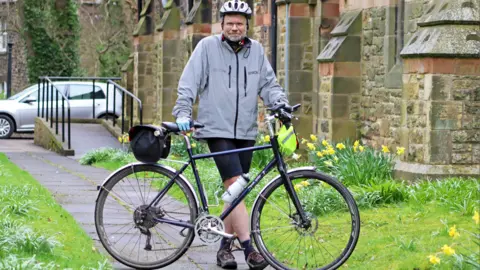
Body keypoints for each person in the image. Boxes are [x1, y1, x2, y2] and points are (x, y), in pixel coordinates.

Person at [172, 0, 289, 268]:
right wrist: (182, 112)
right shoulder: (207, 48)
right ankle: (249, 249)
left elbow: (268, 84)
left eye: (239, 23)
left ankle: (224, 249)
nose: (235, 27)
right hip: (216, 128)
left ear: (247, 26)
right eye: (230, 23)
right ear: (222, 25)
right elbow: (189, 82)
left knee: (235, 192)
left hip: (246, 130)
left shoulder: (256, 51)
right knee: (235, 186)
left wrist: (279, 103)